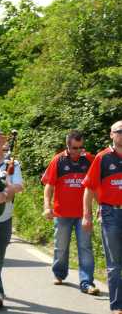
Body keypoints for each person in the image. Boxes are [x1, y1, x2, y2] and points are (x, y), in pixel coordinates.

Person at [42, 130, 99, 295]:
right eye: (74, 148)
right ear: (67, 146)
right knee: (61, 247)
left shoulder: (89, 159)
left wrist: (100, 206)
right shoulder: (58, 160)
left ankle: (87, 282)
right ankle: (59, 274)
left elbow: (95, 187)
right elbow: (49, 186)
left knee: (85, 247)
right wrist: (47, 207)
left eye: (81, 148)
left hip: (83, 214)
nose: (78, 151)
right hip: (62, 214)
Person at [82, 121, 122, 314]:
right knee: (114, 263)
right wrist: (87, 215)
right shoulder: (103, 158)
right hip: (111, 212)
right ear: (111, 135)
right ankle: (117, 306)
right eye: (120, 131)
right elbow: (89, 188)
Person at [0, 129, 24, 309]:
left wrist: (5, 192)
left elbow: (19, 186)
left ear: (4, 143)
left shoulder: (12, 164)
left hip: (4, 217)